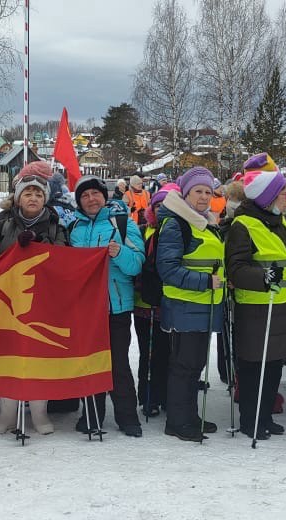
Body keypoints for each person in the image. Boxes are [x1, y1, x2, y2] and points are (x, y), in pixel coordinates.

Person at [0, 161, 69, 435]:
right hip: (7, 300)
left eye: (39, 194)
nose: (33, 198)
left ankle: (39, 413)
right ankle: (7, 414)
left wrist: (39, 248)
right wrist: (13, 254)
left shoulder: (55, 224)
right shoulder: (2, 223)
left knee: (37, 358)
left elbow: (64, 259)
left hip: (41, 302)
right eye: (28, 193)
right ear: (19, 197)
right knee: (7, 357)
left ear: (45, 198)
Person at [224, 170, 286, 439]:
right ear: (269, 197)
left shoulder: (280, 222)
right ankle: (251, 419)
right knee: (253, 367)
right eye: (283, 193)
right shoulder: (243, 225)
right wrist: (263, 276)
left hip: (283, 304)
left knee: (273, 366)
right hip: (256, 307)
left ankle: (265, 415)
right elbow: (235, 268)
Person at [69, 174, 145, 437]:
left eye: (95, 194)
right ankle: (91, 415)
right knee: (89, 364)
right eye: (85, 195)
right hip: (86, 310)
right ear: (79, 201)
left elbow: (136, 264)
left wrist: (120, 252)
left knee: (118, 365)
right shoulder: (73, 228)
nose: (91, 199)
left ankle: (127, 417)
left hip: (116, 307)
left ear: (104, 196)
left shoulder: (121, 222)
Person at [156, 166, 225, 442]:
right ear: (185, 194)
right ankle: (177, 421)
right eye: (198, 191)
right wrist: (205, 282)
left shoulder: (205, 221)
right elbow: (168, 269)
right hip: (184, 306)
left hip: (203, 306)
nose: (204, 196)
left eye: (208, 191)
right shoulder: (177, 223)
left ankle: (190, 415)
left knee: (194, 366)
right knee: (184, 366)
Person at [134, 184, 179, 418]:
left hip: (171, 301)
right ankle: (148, 396)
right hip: (145, 304)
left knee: (169, 353)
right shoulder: (143, 231)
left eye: (167, 206)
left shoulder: (179, 230)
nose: (162, 210)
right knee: (148, 353)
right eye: (158, 206)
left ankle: (166, 395)